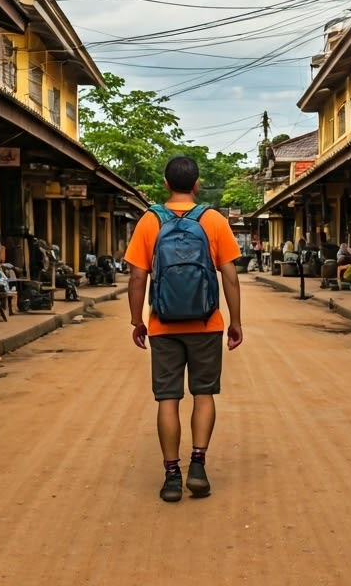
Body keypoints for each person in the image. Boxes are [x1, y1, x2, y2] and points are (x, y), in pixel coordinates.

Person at [126, 155, 243, 503]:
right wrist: (235, 322)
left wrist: (138, 321)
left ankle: (171, 475)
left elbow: (136, 277)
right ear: (196, 184)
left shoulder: (149, 221)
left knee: (168, 398)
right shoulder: (213, 220)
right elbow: (231, 277)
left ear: (165, 184)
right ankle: (198, 465)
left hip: (163, 325)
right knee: (203, 394)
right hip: (206, 323)